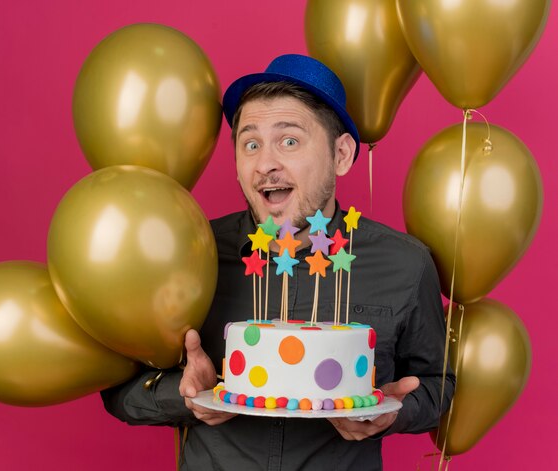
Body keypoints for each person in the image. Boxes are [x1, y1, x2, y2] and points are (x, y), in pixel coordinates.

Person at [101, 54, 455, 470]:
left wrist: (396, 411)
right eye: (250, 144)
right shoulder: (190, 254)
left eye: (289, 141)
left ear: (341, 154)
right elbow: (118, 391)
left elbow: (437, 386)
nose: (266, 164)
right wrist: (185, 395)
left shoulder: (404, 265)